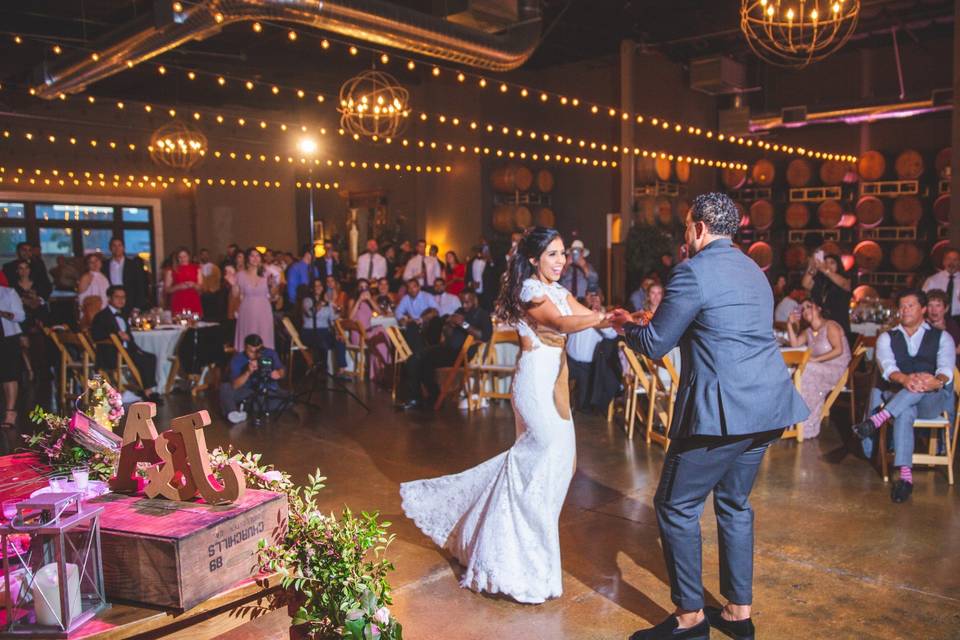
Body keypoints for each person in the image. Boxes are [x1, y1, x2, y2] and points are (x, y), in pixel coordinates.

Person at [609, 192, 808, 640]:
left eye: (685, 226)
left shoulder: (691, 272)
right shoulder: (754, 272)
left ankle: (690, 620)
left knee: (675, 506)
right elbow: (719, 329)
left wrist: (626, 326)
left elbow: (656, 344)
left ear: (699, 227)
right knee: (735, 505)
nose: (684, 235)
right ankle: (739, 614)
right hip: (767, 406)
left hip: (722, 413)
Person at [401, 226, 609, 603]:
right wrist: (603, 317)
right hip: (534, 386)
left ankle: (525, 553)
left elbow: (587, 315)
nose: (561, 261)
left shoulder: (560, 291)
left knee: (559, 467)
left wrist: (623, 319)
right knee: (533, 468)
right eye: (553, 254)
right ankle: (512, 563)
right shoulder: (529, 290)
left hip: (555, 386)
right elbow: (562, 324)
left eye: (563, 254)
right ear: (534, 259)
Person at [853, 289, 955, 504]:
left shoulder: (942, 337)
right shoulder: (887, 337)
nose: (905, 310)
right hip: (900, 394)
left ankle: (876, 420)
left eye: (910, 305)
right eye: (902, 306)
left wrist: (934, 381)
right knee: (905, 411)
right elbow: (887, 367)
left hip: (931, 399)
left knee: (915, 392)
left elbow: (946, 367)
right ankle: (905, 479)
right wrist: (905, 380)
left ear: (923, 309)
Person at [400, 290, 492, 410]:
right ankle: (420, 397)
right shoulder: (459, 311)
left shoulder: (482, 315)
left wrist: (463, 324)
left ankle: (428, 397)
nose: (464, 305)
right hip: (447, 349)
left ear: (474, 300)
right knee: (415, 359)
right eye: (462, 302)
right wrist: (448, 326)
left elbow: (484, 336)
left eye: (467, 302)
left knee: (424, 360)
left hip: (463, 353)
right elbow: (448, 335)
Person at [786, 299, 852, 439]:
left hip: (836, 369)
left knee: (806, 369)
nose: (806, 311)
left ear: (819, 308)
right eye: (803, 309)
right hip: (818, 368)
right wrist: (789, 324)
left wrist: (815, 360)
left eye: (809, 306)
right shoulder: (809, 331)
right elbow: (795, 345)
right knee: (793, 372)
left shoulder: (830, 325)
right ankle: (793, 422)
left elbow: (839, 350)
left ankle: (807, 427)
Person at [91, 286, 161, 402]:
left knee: (150, 357)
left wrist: (129, 341)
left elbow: (129, 337)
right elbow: (96, 335)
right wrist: (116, 336)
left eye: (123, 297)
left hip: (126, 351)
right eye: (117, 297)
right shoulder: (102, 316)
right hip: (112, 353)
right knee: (144, 360)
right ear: (109, 298)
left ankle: (146, 390)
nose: (121, 300)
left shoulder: (123, 314)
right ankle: (147, 392)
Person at [566, 287, 620, 414]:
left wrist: (598, 320)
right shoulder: (577, 311)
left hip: (588, 365)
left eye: (597, 297)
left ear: (602, 299)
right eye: (591, 296)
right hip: (569, 360)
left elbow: (612, 335)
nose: (594, 300)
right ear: (586, 298)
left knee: (583, 405)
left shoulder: (606, 318)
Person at [219, 333, 287, 424]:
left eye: (258, 351)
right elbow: (235, 385)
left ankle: (247, 408)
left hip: (266, 390)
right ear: (245, 348)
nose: (254, 355)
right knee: (225, 387)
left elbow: (282, 370)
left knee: (287, 400)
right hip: (247, 390)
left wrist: (279, 373)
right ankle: (233, 413)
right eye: (251, 351)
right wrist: (248, 372)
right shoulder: (237, 359)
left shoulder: (270, 353)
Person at [300, 279, 348, 377]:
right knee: (322, 341)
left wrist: (340, 311)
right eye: (315, 285)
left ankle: (341, 371)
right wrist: (322, 302)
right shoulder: (307, 301)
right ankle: (322, 371)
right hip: (310, 331)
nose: (318, 287)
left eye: (320, 285)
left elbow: (333, 318)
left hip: (325, 331)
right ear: (312, 289)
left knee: (340, 340)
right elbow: (310, 313)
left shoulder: (328, 303)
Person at [232, 248, 277, 350]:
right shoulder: (240, 275)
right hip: (247, 309)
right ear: (247, 258)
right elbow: (235, 295)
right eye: (252, 256)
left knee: (264, 336)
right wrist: (232, 284)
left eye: (257, 256)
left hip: (263, 309)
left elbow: (273, 295)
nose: (255, 258)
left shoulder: (267, 274)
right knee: (248, 335)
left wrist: (272, 285)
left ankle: (264, 362)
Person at [803, 252, 853, 345]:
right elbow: (805, 284)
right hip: (820, 325)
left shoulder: (844, 279)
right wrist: (812, 267)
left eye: (832, 263)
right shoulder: (820, 282)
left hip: (839, 324)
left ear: (838, 265)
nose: (828, 265)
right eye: (825, 262)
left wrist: (824, 269)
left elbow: (844, 284)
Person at [0, 282, 25, 429]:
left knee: (9, 375)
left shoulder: (8, 292)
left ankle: (10, 413)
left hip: (7, 337)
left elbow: (21, 316)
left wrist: (3, 313)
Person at [103, 237, 149, 311]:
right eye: (114, 246)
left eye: (119, 245)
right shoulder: (105, 265)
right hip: (111, 303)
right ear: (110, 248)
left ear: (123, 248)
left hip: (130, 303)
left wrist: (137, 307)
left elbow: (140, 286)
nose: (117, 248)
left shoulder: (133, 265)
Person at [394, 278, 438, 353]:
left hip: (427, 326)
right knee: (410, 327)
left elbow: (436, 311)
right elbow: (398, 311)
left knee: (435, 321)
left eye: (414, 287)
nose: (412, 289)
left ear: (419, 287)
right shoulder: (406, 298)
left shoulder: (427, 296)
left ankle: (418, 355)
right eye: (409, 288)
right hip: (413, 326)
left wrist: (421, 319)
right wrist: (402, 319)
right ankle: (415, 356)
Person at [922, 248, 960, 320]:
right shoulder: (932, 280)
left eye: (955, 260)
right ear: (944, 262)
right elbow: (923, 300)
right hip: (936, 319)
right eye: (949, 259)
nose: (952, 262)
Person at [925, 289, 960, 365]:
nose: (934, 310)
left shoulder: (952, 323)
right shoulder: (922, 325)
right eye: (930, 305)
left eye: (938, 305)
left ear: (946, 308)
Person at [164, 247, 202, 317]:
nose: (183, 259)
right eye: (180, 257)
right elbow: (167, 289)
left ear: (189, 257)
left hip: (193, 300)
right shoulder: (171, 270)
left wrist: (193, 285)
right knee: (179, 324)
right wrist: (178, 287)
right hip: (178, 301)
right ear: (177, 258)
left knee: (195, 324)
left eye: (185, 256)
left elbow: (201, 287)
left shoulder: (196, 268)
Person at [77, 253, 110, 327]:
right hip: (91, 313)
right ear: (87, 265)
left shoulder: (103, 276)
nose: (94, 264)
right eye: (91, 262)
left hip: (103, 312)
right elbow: (80, 297)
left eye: (96, 260)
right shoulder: (86, 277)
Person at [198, 249, 223, 320]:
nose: (204, 256)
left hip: (213, 295)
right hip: (201, 295)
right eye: (203, 254)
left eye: (206, 254)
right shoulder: (197, 268)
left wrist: (212, 290)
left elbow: (218, 281)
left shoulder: (215, 268)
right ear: (200, 256)